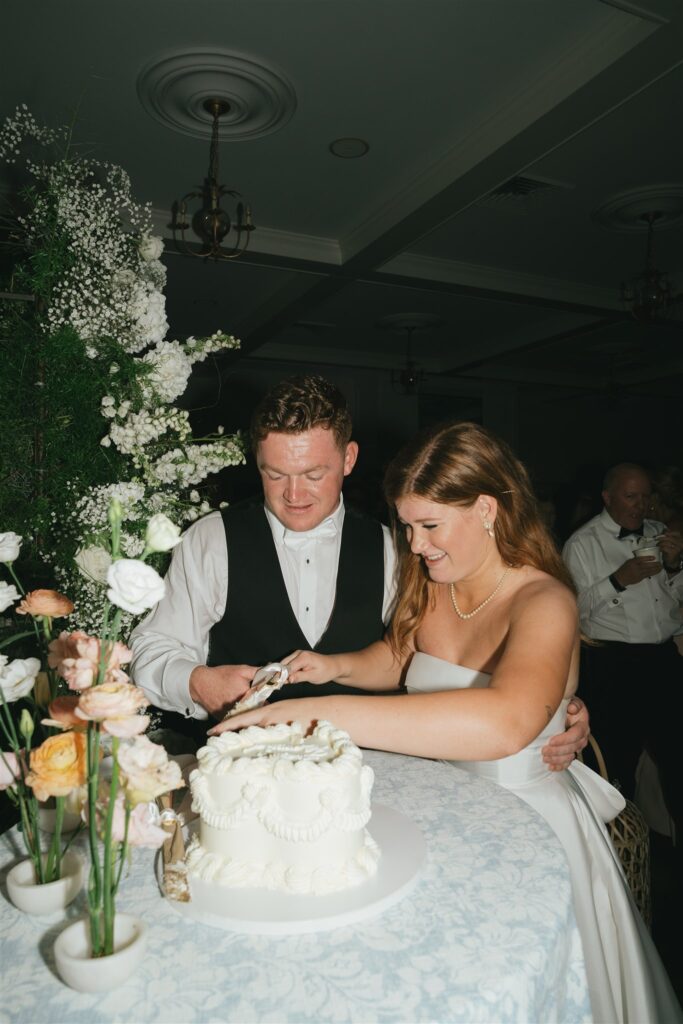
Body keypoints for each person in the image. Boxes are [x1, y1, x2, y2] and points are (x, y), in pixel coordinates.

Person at [211, 421, 682, 1024]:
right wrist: (330, 667)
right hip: (445, 811)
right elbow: (405, 658)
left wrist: (312, 715)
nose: (415, 545)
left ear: (487, 509)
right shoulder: (437, 582)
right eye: (407, 526)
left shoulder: (544, 600)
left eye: (429, 526)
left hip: (530, 828)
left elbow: (506, 722)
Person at [130, 374, 586, 766]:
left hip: (375, 775)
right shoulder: (211, 538)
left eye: (313, 474)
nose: (294, 494)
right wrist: (197, 680)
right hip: (246, 773)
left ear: (348, 459)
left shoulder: (398, 548)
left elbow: (502, 702)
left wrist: (553, 705)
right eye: (275, 475)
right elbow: (405, 656)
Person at [562, 462, 683, 846]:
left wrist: (677, 566)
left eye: (647, 496)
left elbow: (673, 605)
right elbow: (572, 611)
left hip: (663, 660)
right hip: (612, 664)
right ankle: (621, 860)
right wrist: (620, 580)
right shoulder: (582, 543)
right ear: (608, 497)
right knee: (615, 766)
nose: (641, 505)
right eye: (632, 496)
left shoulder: (660, 534)